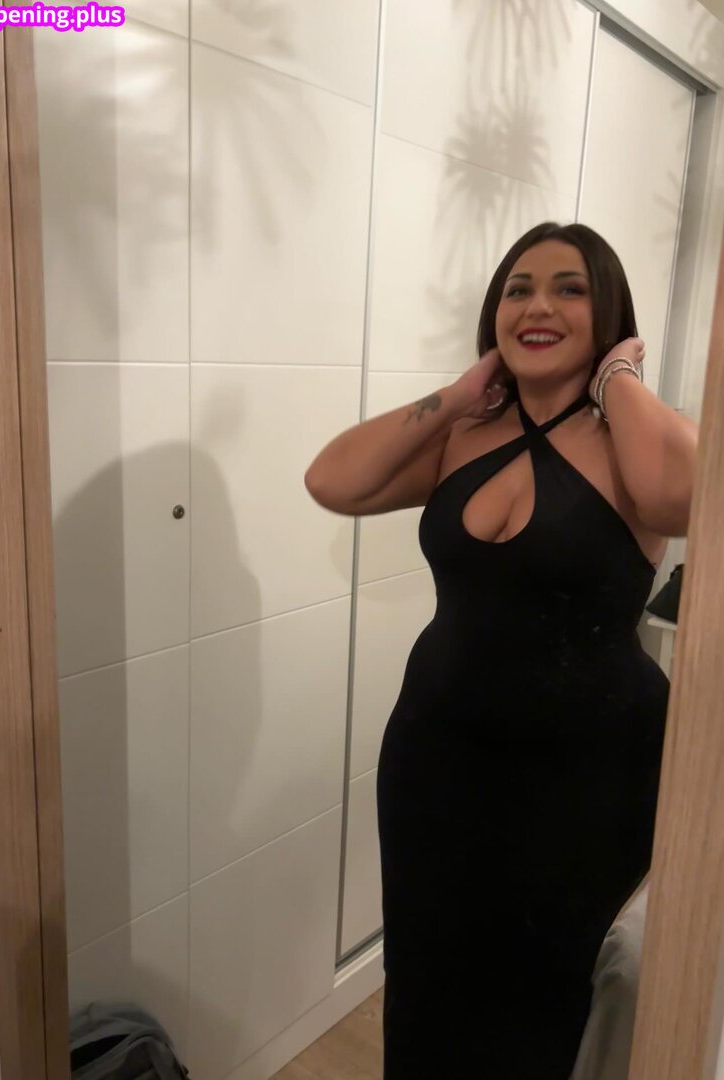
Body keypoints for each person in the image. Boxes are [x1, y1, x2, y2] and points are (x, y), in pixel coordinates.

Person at [304, 221, 698, 1078]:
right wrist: (456, 395)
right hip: (437, 761)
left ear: (609, 313)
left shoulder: (632, 442)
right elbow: (332, 480)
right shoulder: (462, 436)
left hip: (587, 780)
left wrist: (618, 377)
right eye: (518, 289)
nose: (537, 306)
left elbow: (683, 495)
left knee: (541, 997)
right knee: (427, 975)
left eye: (569, 289)